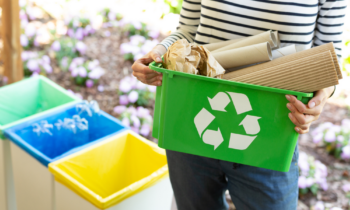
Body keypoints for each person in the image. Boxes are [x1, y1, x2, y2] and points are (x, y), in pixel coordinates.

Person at [132, 1, 347, 209]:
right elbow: (188, 28)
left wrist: (320, 98)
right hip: (193, 121)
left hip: (271, 134)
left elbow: (329, 57)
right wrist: (158, 53)